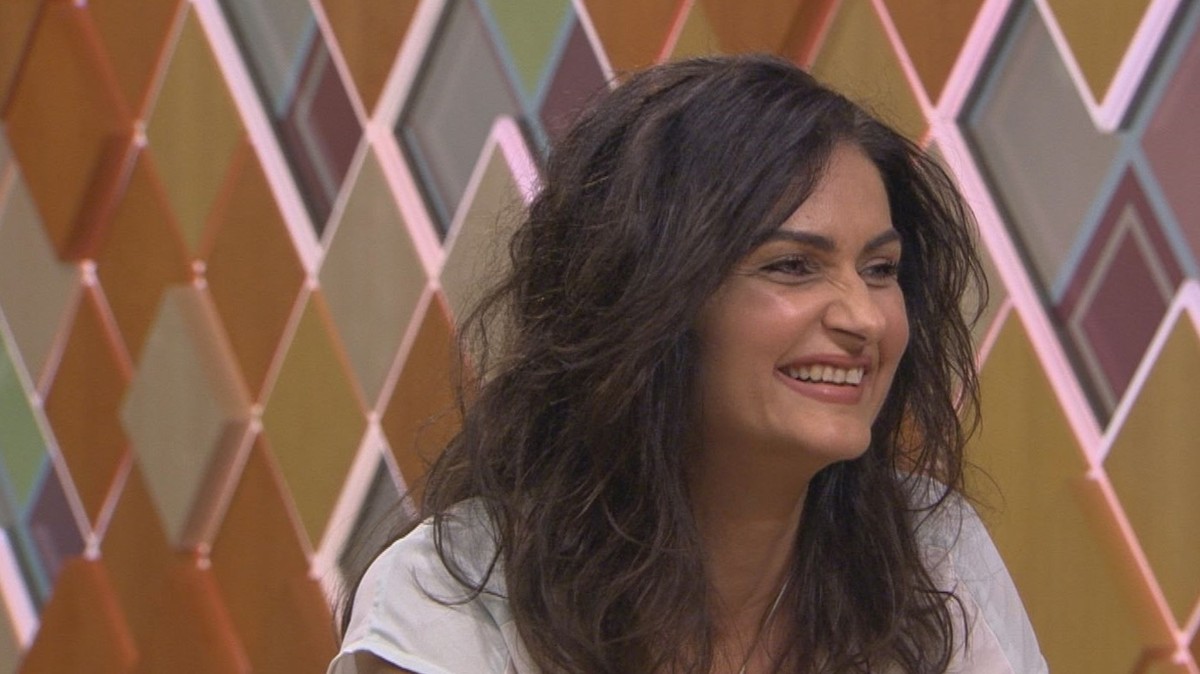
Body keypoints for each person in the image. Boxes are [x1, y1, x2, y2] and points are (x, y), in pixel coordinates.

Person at [330, 54, 1047, 673]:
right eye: (793, 266)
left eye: (880, 270)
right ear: (651, 300)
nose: (863, 317)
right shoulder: (458, 594)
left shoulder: (932, 556)